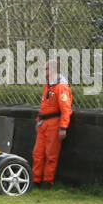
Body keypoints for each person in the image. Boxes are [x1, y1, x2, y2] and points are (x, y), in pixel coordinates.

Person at [32, 58, 73, 189]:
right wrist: (39, 120)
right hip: (44, 123)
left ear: (53, 70)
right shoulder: (48, 85)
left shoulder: (61, 87)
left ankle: (47, 181)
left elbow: (66, 109)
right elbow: (44, 105)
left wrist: (63, 127)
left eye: (46, 69)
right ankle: (36, 180)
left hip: (54, 124)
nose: (44, 71)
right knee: (38, 153)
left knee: (51, 155)